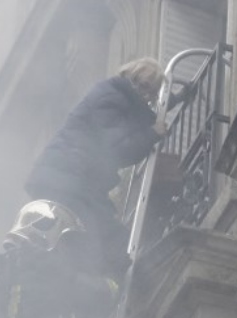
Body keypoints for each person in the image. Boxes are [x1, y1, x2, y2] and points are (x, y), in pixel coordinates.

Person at [22, 57, 169, 278]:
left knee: (101, 243)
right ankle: (118, 289)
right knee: (107, 243)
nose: (146, 95)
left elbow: (134, 119)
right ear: (130, 78)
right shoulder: (112, 98)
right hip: (69, 182)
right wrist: (152, 134)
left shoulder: (117, 97)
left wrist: (173, 100)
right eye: (144, 86)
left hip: (71, 180)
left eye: (152, 93)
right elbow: (117, 148)